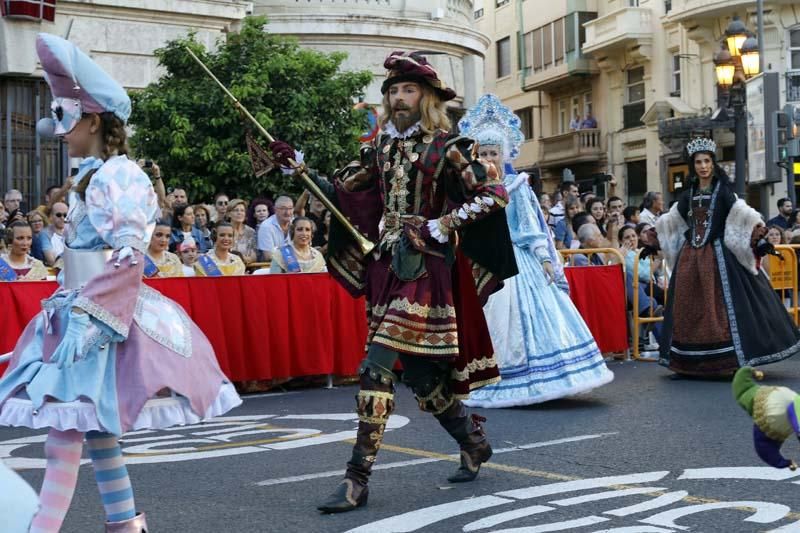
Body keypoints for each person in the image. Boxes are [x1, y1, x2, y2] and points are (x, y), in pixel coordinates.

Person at [0, 33, 240, 532]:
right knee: (95, 433)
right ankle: (127, 526)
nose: (59, 130)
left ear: (93, 120)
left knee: (65, 435)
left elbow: (129, 256)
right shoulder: (95, 173)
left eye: (66, 118)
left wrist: (92, 322)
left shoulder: (118, 174)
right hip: (79, 307)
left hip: (101, 317)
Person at [272, 51, 517, 513]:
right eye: (392, 91)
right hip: (387, 267)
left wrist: (443, 225)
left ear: (425, 97)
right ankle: (473, 440)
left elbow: (494, 194)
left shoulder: (450, 146)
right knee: (422, 377)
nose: (398, 98)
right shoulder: (381, 148)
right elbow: (346, 195)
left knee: (376, 365)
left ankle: (355, 480)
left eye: (407, 90)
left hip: (429, 271)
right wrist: (298, 168)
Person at [457, 94, 612, 408]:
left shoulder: (517, 186)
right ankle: (487, 376)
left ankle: (541, 377)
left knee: (529, 317)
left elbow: (530, 227)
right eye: (483, 153)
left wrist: (543, 257)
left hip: (518, 262)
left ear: (504, 154)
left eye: (494, 153)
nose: (489, 159)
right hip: (486, 263)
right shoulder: (471, 190)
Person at [650, 137, 800, 376]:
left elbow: (744, 215)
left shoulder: (724, 191)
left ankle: (728, 360)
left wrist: (758, 238)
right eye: (698, 162)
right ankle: (691, 362)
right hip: (691, 258)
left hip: (719, 256)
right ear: (693, 165)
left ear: (713, 163)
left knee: (723, 307)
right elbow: (672, 220)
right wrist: (653, 238)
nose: (703, 166)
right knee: (689, 306)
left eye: (707, 161)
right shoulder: (688, 193)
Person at [257, 195, 293, 261]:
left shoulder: (296, 223)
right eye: (283, 208)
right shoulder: (266, 227)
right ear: (275, 209)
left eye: (290, 208)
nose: (287, 212)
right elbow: (268, 256)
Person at [225, 198, 258, 264]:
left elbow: (255, 254)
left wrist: (246, 259)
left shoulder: (251, 232)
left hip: (248, 267)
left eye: (242, 210)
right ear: (229, 214)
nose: (239, 213)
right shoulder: (224, 230)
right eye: (236, 210)